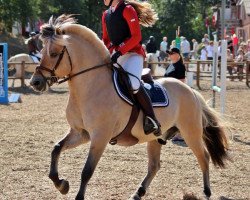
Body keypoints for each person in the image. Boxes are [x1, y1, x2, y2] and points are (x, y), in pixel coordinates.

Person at [102, 0, 161, 136]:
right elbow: (106, 39)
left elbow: (136, 37)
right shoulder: (106, 14)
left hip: (133, 54)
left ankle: (152, 119)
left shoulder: (128, 9)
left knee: (133, 83)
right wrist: (109, 50)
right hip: (116, 54)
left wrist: (119, 51)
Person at [164, 47, 186, 142]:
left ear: (177, 55)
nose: (170, 55)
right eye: (169, 53)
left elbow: (181, 82)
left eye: (171, 53)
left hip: (176, 93)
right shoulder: (170, 65)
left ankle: (181, 134)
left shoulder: (180, 66)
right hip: (168, 92)